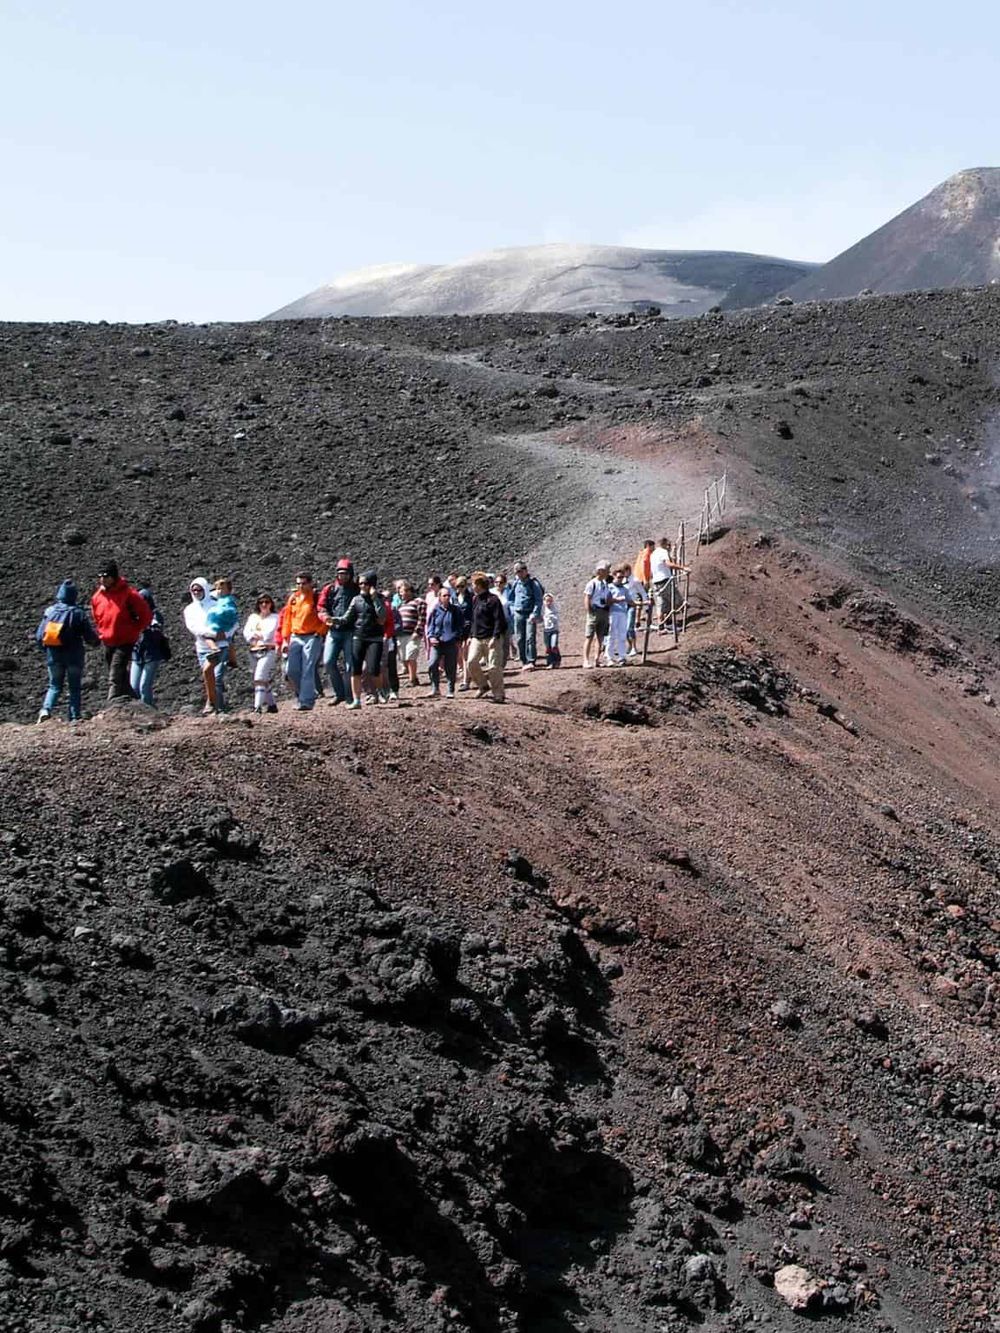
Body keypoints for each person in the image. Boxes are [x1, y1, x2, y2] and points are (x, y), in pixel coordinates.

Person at [35, 579, 99, 722]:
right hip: (74, 657)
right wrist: (97, 641)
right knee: (74, 688)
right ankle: (74, 717)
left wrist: (46, 650)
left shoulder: (50, 611)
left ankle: (46, 710)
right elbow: (89, 637)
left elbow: (40, 635)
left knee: (54, 685)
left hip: (54, 655)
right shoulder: (78, 613)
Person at [91, 560, 153, 700]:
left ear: (114, 577)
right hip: (108, 640)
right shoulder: (98, 597)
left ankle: (112, 700)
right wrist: (102, 631)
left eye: (106, 576)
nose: (102, 580)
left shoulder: (129, 594)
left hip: (125, 640)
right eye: (100, 576)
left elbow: (146, 615)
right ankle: (133, 699)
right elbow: (96, 616)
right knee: (121, 675)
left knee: (116, 672)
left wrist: (134, 630)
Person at [333, 569, 387, 711]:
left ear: (372, 584)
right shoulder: (356, 600)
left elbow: (382, 619)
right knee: (355, 669)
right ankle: (357, 700)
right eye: (360, 583)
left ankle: (381, 691)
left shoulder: (379, 598)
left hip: (375, 637)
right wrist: (334, 620)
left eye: (365, 583)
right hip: (359, 636)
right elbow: (347, 617)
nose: (361, 585)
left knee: (373, 668)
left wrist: (375, 598)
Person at [278, 572, 327, 711]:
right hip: (295, 636)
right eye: (298, 583)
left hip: (312, 636)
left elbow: (325, 615)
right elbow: (287, 619)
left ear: (310, 583)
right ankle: (307, 693)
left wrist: (320, 632)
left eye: (303, 583)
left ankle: (306, 701)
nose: (300, 586)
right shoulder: (294, 598)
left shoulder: (316, 598)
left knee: (308, 668)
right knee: (291, 670)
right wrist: (285, 640)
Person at [318, 559, 359, 705]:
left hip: (351, 631)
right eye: (340, 573)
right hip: (334, 630)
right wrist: (326, 618)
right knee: (328, 662)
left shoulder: (356, 589)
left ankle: (349, 695)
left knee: (350, 665)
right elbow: (321, 607)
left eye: (346, 573)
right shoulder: (330, 589)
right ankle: (339, 692)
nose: (343, 576)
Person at [183, 577, 224, 714]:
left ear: (205, 589)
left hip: (221, 645)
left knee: (216, 677)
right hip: (203, 648)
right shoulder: (189, 610)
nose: (196, 592)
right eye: (193, 590)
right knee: (209, 677)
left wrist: (225, 634)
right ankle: (218, 706)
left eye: (199, 589)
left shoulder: (217, 605)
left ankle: (214, 705)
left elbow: (230, 622)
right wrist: (212, 634)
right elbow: (194, 627)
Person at [467, 572, 507, 703]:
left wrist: (495, 637)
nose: (472, 586)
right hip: (477, 637)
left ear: (479, 585)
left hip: (492, 637)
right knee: (471, 662)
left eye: (473, 584)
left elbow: (498, 620)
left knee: (494, 667)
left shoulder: (493, 600)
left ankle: (498, 694)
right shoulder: (475, 599)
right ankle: (483, 685)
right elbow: (474, 619)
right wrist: (471, 635)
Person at [129, 589, 170, 706]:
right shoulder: (133, 615)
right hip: (137, 654)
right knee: (134, 687)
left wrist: (149, 627)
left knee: (144, 687)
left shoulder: (155, 615)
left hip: (152, 655)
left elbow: (157, 630)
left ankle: (149, 712)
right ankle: (139, 713)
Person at [204, 578, 239, 711]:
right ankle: (218, 705)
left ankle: (218, 706)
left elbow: (232, 619)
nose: (219, 591)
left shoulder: (229, 603)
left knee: (217, 676)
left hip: (223, 638)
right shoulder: (215, 601)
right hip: (215, 636)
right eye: (217, 588)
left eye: (222, 588)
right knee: (214, 676)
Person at [426, 584, 465, 698]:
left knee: (450, 666)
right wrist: (431, 636)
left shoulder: (456, 610)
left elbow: (460, 625)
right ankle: (435, 688)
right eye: (444, 595)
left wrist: (457, 637)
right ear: (439, 597)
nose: (447, 597)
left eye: (448, 595)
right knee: (432, 663)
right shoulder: (435, 610)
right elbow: (430, 625)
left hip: (451, 642)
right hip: (437, 642)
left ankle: (450, 690)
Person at [242, 593, 279, 713]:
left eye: (267, 602)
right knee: (263, 679)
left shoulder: (275, 618)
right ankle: (272, 705)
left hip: (268, 650)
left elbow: (270, 634)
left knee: (259, 677)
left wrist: (258, 635)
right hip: (254, 650)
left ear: (271, 604)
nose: (264, 605)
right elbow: (247, 632)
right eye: (261, 602)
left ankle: (257, 706)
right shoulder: (253, 617)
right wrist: (254, 635)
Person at [509, 560, 545, 672]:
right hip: (518, 613)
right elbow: (511, 598)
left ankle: (531, 660)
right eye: (516, 572)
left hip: (529, 613)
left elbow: (538, 600)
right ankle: (523, 660)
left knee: (530, 637)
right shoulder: (516, 583)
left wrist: (535, 613)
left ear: (525, 570)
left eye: (520, 571)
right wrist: (513, 609)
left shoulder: (533, 583)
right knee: (519, 638)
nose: (518, 574)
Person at [649, 538, 688, 632]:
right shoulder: (663, 552)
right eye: (669, 546)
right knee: (675, 601)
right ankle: (671, 623)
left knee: (661, 604)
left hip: (656, 582)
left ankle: (662, 626)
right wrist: (683, 568)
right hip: (665, 580)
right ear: (666, 545)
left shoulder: (653, 553)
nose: (670, 548)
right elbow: (668, 564)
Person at [395, 580, 426, 688]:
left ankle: (412, 679)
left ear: (408, 591)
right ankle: (413, 677)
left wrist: (417, 631)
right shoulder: (401, 605)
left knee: (411, 656)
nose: (400, 594)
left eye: (402, 592)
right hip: (401, 634)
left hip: (412, 634)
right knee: (404, 658)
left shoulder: (418, 602)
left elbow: (422, 618)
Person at [583, 562, 612, 669]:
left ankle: (597, 659)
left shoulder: (605, 583)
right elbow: (587, 597)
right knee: (589, 636)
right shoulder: (592, 583)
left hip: (603, 610)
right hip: (594, 611)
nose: (608, 572)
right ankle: (586, 660)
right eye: (606, 570)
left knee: (600, 637)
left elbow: (607, 596)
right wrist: (589, 611)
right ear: (600, 571)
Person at [607, 568, 634, 665]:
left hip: (623, 613)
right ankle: (609, 657)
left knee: (622, 635)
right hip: (612, 613)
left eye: (622, 577)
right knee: (611, 635)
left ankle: (622, 656)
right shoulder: (609, 587)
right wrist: (617, 600)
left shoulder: (625, 589)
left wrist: (644, 603)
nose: (620, 579)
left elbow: (630, 601)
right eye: (619, 577)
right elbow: (607, 601)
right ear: (614, 576)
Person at [451, 575, 473, 689]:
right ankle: (468, 675)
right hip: (458, 629)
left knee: (466, 655)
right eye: (457, 586)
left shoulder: (471, 597)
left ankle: (466, 680)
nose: (459, 588)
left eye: (462, 586)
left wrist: (471, 632)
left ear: (466, 586)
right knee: (459, 654)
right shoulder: (454, 597)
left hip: (468, 628)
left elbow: (473, 615)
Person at [624, 564, 648, 657]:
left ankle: (634, 647)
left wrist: (646, 604)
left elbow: (642, 592)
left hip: (632, 605)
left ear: (629, 570)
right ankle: (629, 646)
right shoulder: (622, 580)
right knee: (624, 628)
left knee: (630, 627)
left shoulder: (635, 580)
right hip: (623, 606)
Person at [542, 593, 561, 669]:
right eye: (547, 601)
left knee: (554, 646)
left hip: (554, 630)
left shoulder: (554, 609)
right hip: (546, 631)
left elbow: (557, 618)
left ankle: (557, 660)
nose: (548, 603)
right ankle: (550, 662)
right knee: (548, 648)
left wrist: (551, 617)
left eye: (550, 601)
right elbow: (541, 618)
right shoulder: (543, 610)